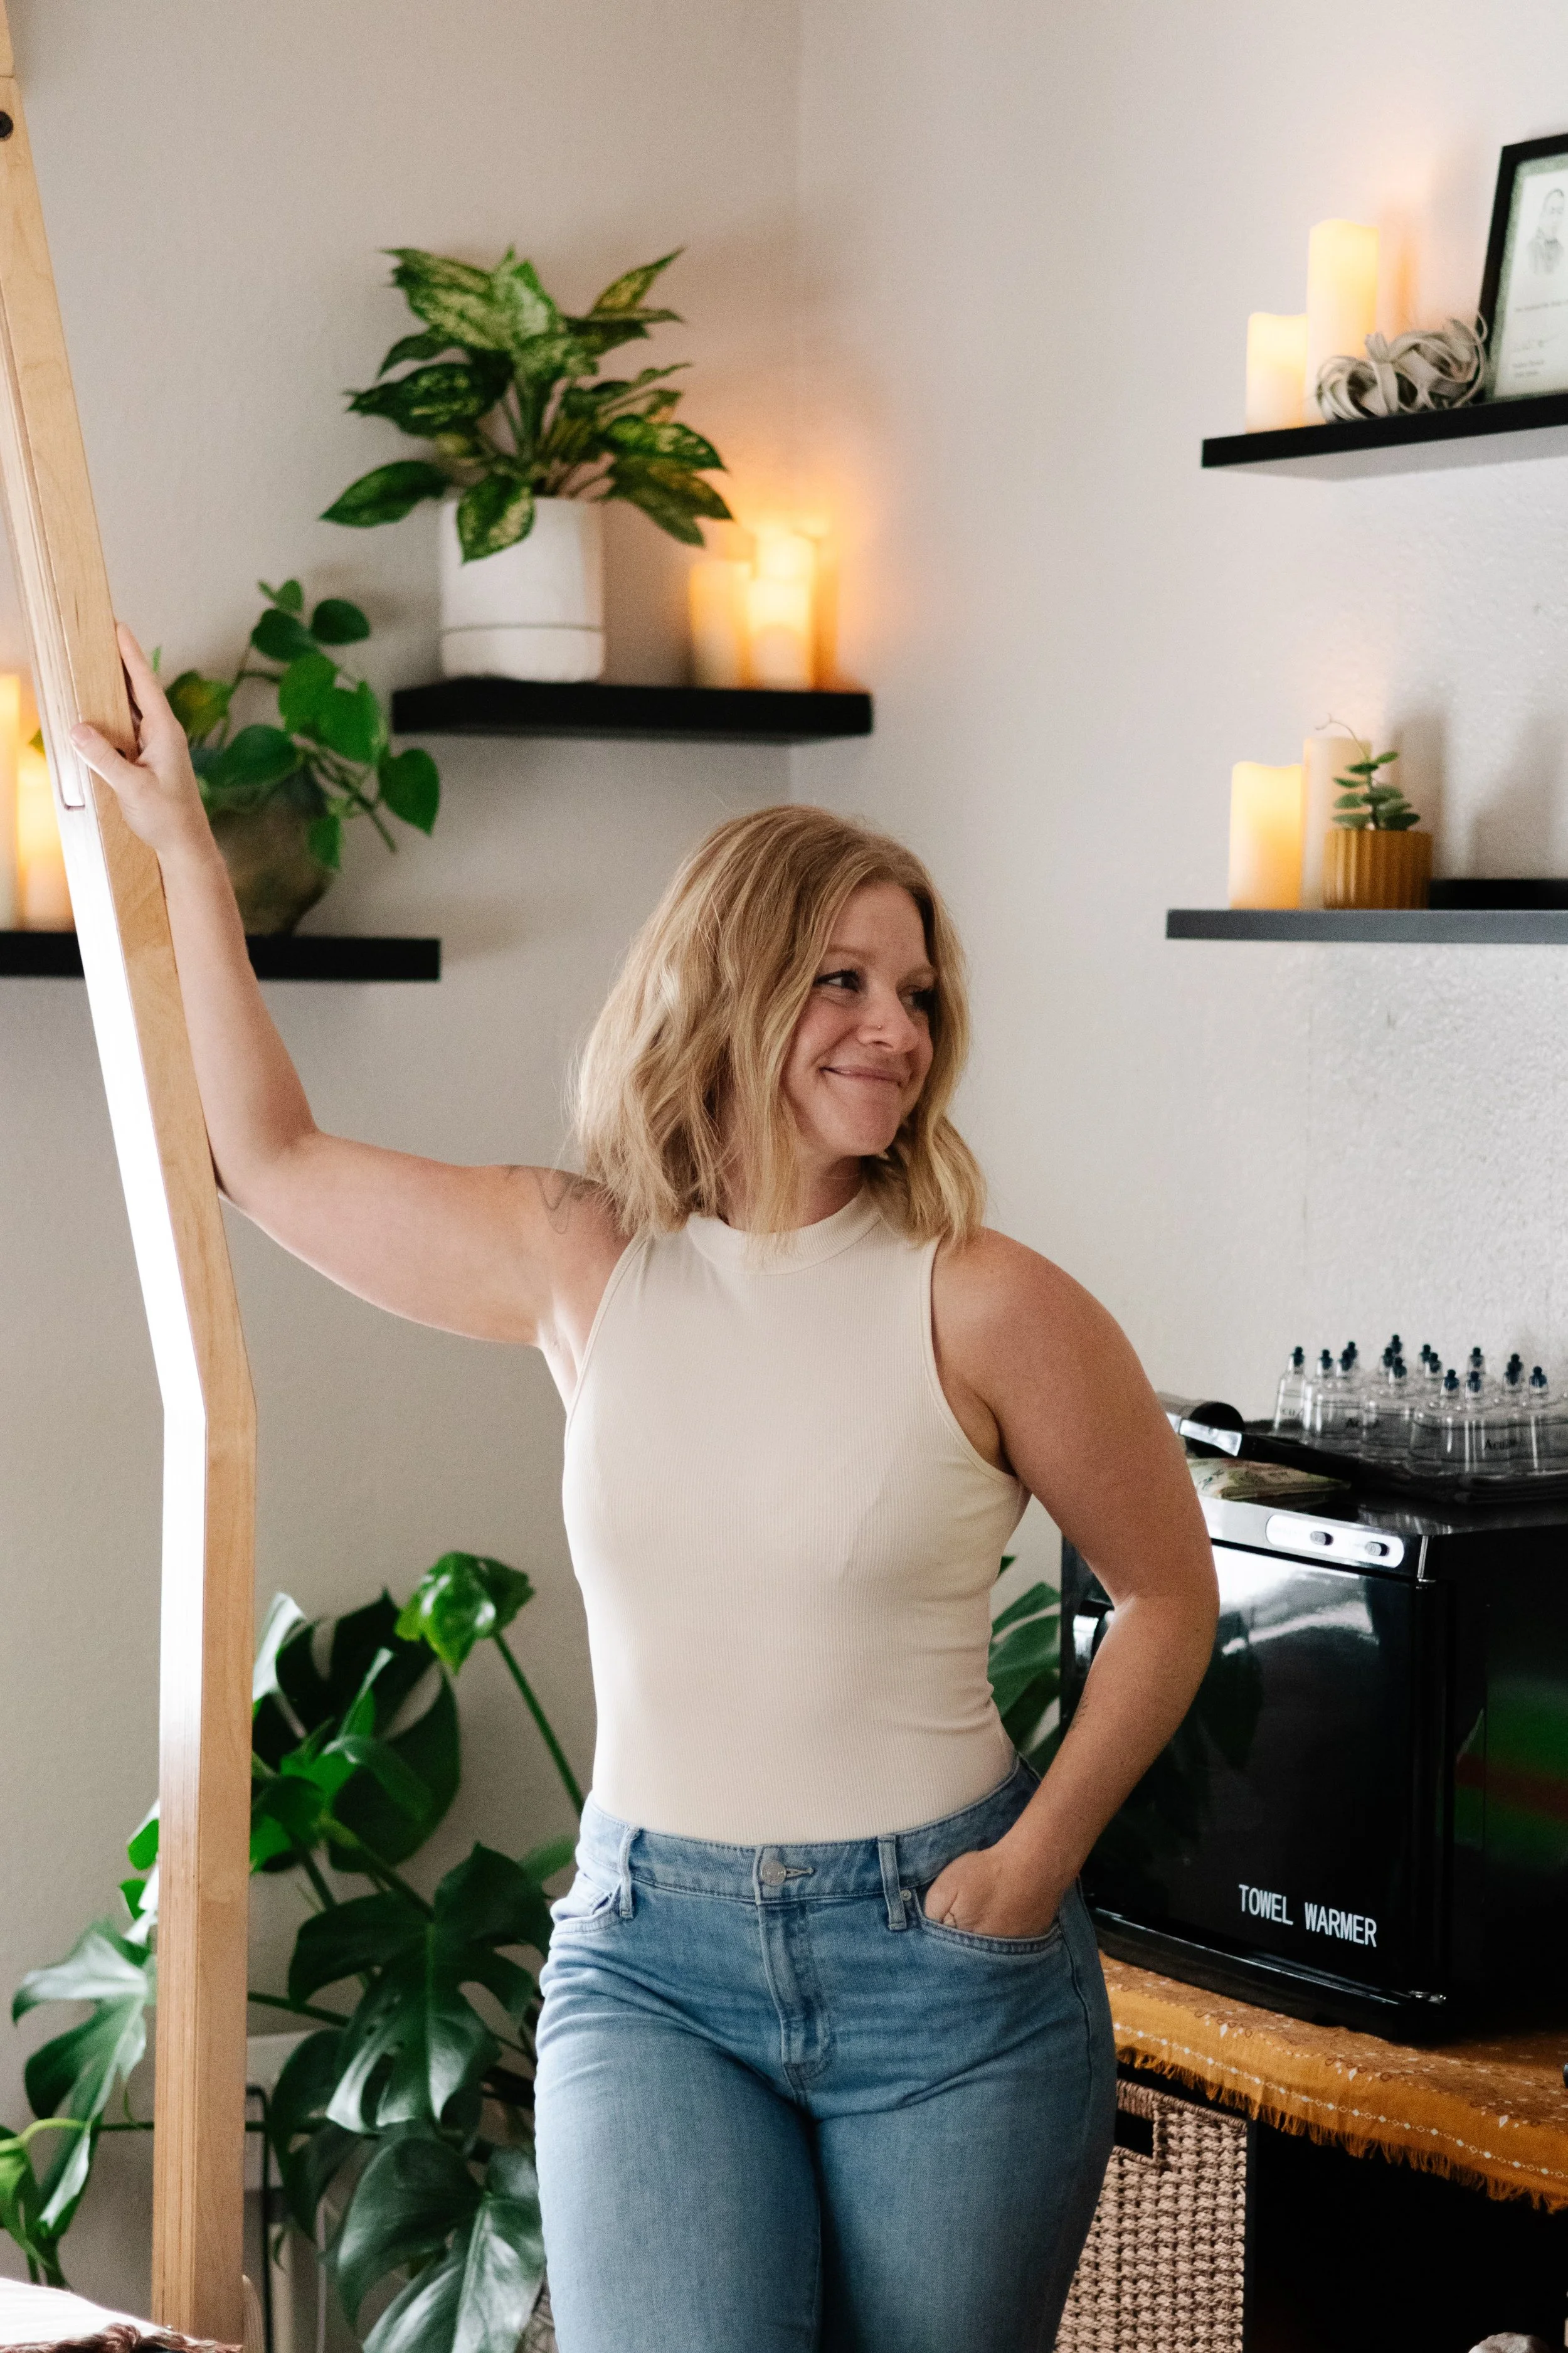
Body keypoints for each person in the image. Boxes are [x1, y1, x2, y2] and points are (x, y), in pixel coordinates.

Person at [75, 630, 1219, 2353]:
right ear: (732, 980)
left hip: (946, 1968)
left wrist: (1029, 1865)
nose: (890, 1028)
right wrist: (178, 848)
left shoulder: (983, 1297)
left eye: (914, 995)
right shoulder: (585, 1257)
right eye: (840, 980)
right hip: (649, 1960)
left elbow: (1164, 1592)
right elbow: (268, 1157)